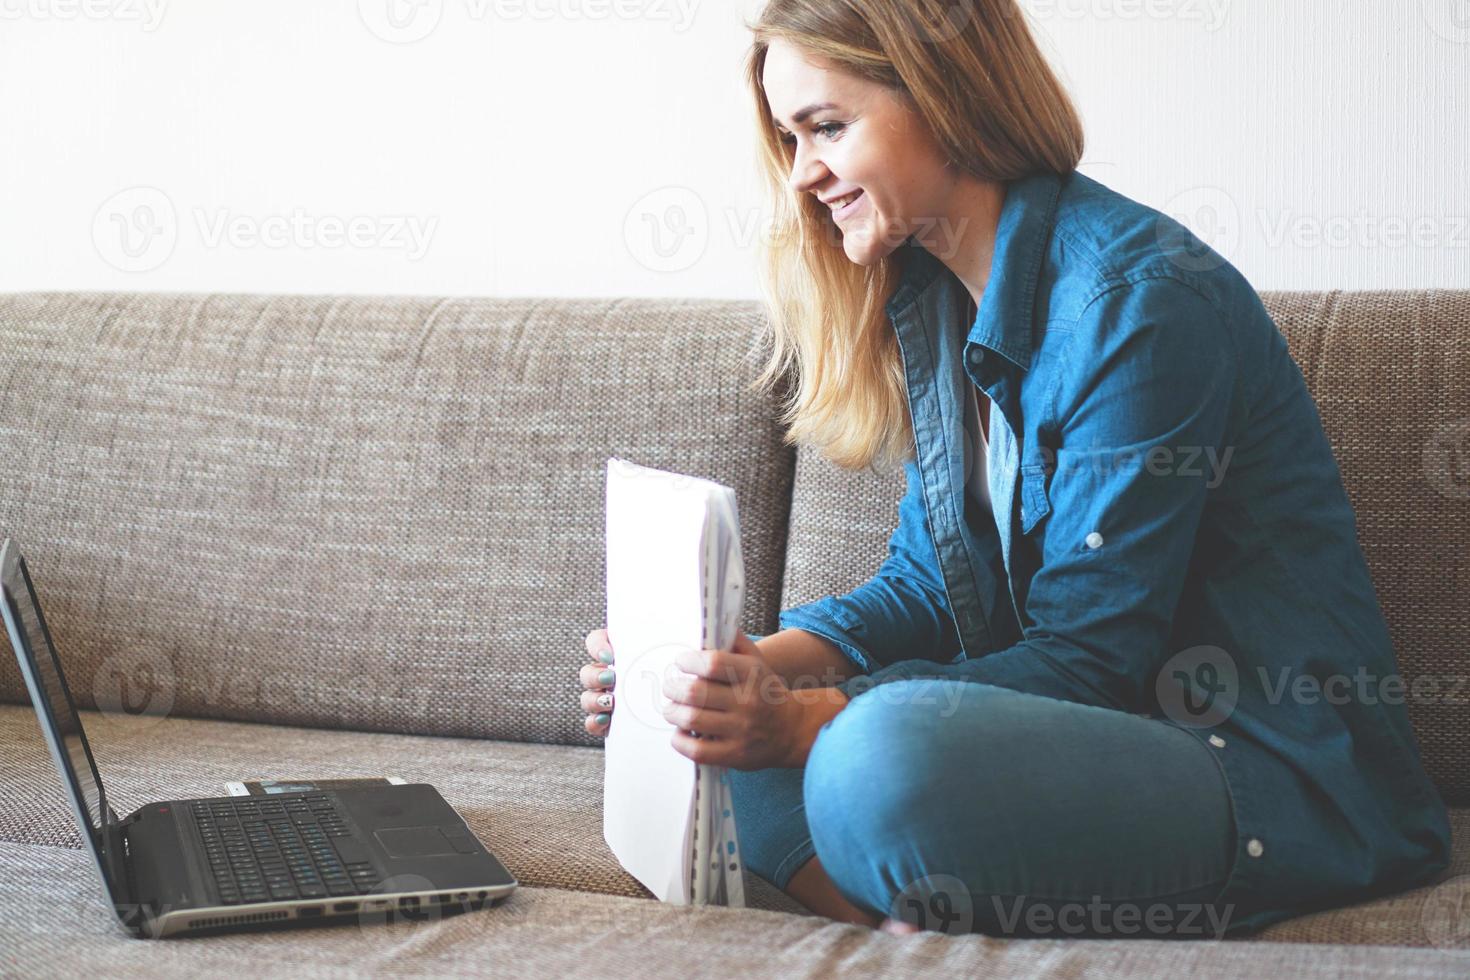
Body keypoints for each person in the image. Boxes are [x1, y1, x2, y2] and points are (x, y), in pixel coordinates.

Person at [580, 0, 1451, 940]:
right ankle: (921, 931)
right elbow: (923, 584)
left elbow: (1092, 660)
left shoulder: (1139, 303)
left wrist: (801, 722)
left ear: (947, 95)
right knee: (715, 756)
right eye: (792, 137)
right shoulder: (938, 298)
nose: (803, 174)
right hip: (1087, 743)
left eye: (828, 127)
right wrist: (727, 678)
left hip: (1260, 772)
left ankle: (931, 910)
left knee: (871, 756)